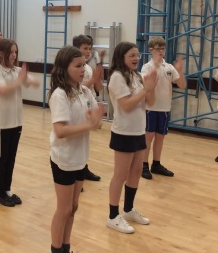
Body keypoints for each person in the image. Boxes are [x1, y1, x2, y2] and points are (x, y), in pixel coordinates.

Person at [48, 46, 104, 253]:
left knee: (73, 207)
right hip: (64, 159)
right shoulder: (60, 95)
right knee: (64, 209)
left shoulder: (85, 91)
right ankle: (56, 249)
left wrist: (96, 121)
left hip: (80, 157)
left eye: (84, 65)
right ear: (64, 68)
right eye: (78, 66)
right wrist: (89, 125)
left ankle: (66, 247)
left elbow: (96, 123)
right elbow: (60, 131)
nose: (83, 70)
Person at [106, 42, 157, 234]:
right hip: (123, 132)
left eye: (137, 55)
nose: (136, 58)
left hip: (138, 131)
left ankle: (128, 210)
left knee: (135, 172)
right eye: (132, 55)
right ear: (122, 57)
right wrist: (145, 89)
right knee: (120, 174)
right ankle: (112, 216)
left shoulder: (136, 76)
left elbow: (150, 103)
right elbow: (126, 106)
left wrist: (151, 87)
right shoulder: (117, 77)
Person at [0, 38, 40, 207]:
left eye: (15, 52)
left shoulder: (17, 70)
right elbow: (2, 90)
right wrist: (20, 80)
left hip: (17, 122)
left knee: (11, 157)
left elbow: (35, 83)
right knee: (2, 158)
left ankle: (7, 190)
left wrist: (27, 78)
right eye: (10, 52)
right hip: (2, 123)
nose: (14, 55)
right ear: (1, 53)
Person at [141, 36, 186, 179]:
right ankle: (143, 165)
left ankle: (156, 164)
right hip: (150, 108)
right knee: (148, 137)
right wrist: (156, 63)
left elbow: (182, 85)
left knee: (160, 137)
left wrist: (180, 70)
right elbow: (148, 83)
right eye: (158, 49)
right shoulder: (146, 67)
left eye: (163, 48)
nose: (161, 51)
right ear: (151, 50)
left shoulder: (169, 67)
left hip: (165, 108)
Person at [72, 34, 102, 182]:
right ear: (76, 49)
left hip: (88, 105)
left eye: (90, 48)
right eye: (85, 48)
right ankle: (76, 171)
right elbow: (78, 88)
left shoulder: (89, 67)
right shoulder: (74, 68)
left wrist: (98, 81)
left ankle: (83, 168)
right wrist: (93, 80)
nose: (88, 51)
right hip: (77, 106)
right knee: (76, 140)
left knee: (84, 141)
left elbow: (95, 88)